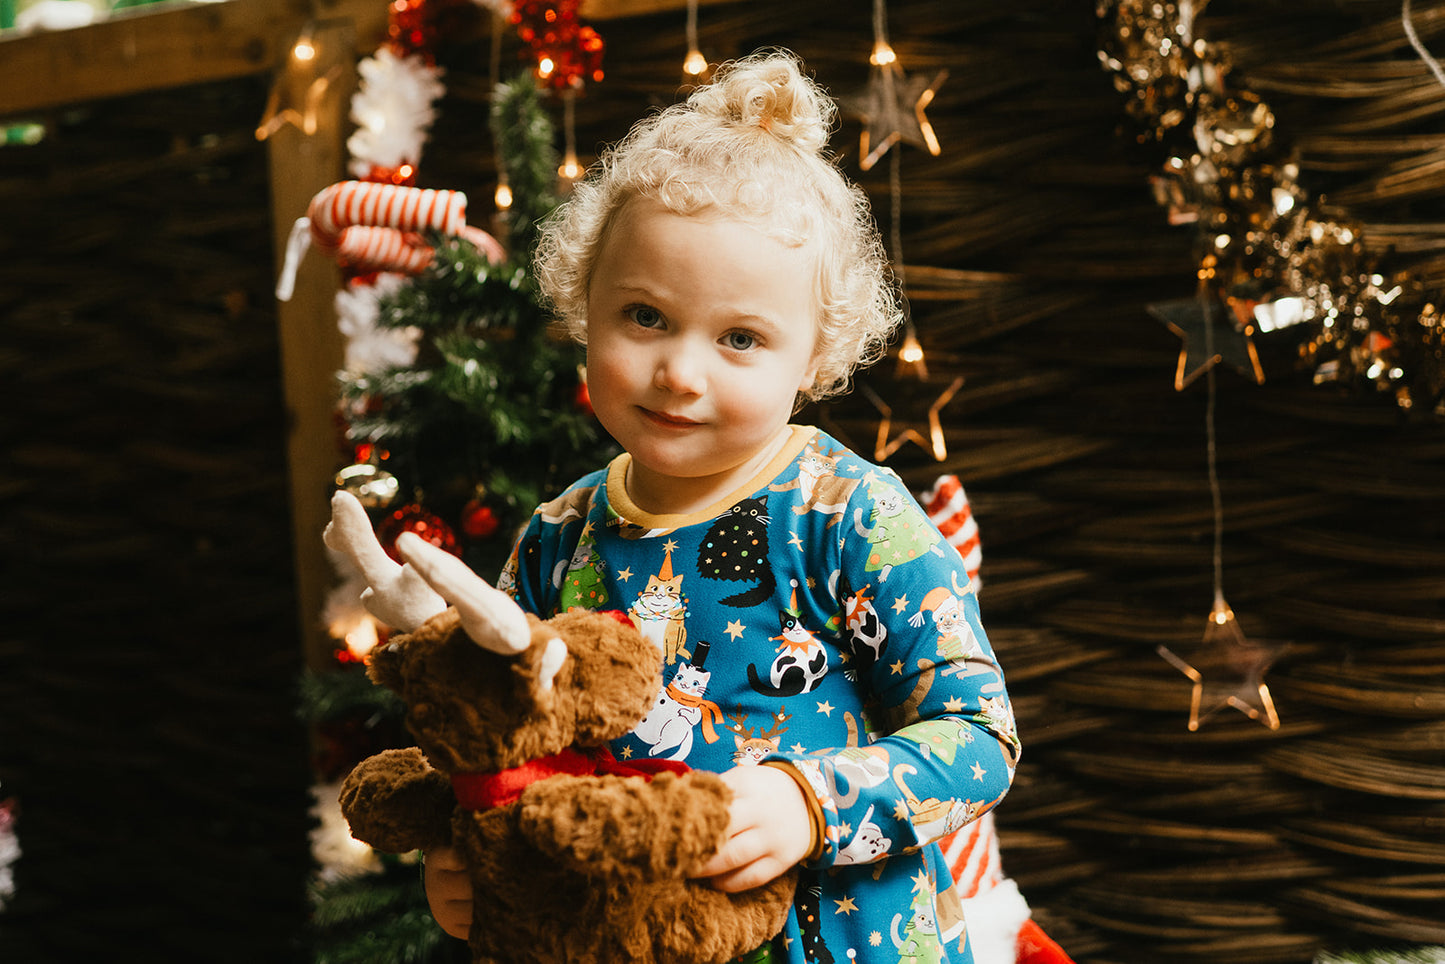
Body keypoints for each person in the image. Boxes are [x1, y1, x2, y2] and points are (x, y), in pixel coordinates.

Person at [423, 49, 1021, 964]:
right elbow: (497, 733)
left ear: (815, 357)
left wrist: (808, 804)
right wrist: (461, 854)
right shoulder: (556, 537)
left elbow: (979, 740)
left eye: (739, 338)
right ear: (585, 303)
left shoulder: (848, 514)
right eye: (645, 317)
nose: (680, 371)